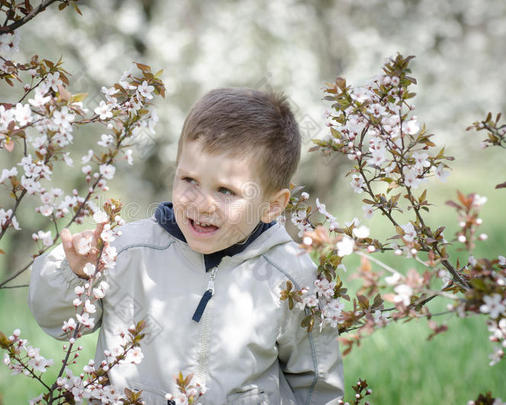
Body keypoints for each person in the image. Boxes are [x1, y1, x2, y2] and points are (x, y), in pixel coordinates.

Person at [29, 88, 344, 404]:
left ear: (272, 206)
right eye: (189, 180)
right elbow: (56, 321)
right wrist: (75, 275)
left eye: (225, 191)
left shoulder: (291, 274)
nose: (202, 204)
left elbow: (316, 382)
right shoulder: (126, 251)